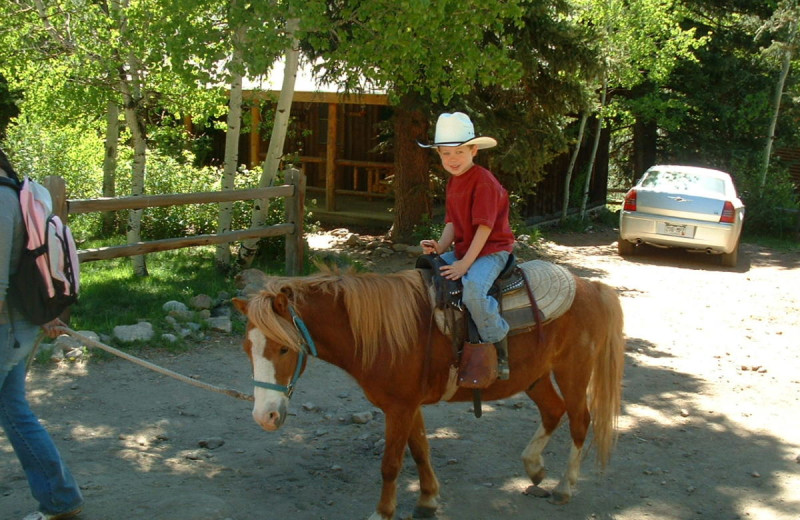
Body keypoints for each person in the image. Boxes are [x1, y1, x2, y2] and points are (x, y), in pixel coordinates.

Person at [0, 148, 84, 520]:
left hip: (6, 328)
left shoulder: (1, 199)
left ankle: (60, 498)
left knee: (15, 412)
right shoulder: (13, 193)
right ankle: (60, 499)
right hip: (15, 325)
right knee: (14, 411)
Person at [418, 112, 515, 379]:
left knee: (473, 291)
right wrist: (440, 246)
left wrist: (463, 264)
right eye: (446, 153)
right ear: (438, 154)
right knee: (422, 277)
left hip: (492, 250)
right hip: (465, 250)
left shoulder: (483, 181)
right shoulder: (454, 181)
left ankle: (498, 345)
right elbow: (452, 223)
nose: (452, 159)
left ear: (474, 150)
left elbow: (484, 228)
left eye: (459, 152)